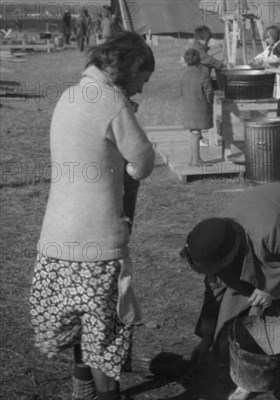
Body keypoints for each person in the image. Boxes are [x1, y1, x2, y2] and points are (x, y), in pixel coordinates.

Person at [30, 31, 156, 400]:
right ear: (131, 67)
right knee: (105, 335)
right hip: (96, 245)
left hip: (55, 239)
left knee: (81, 326)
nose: (141, 90)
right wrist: (127, 171)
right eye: (142, 81)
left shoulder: (70, 95)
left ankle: (82, 391)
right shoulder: (113, 102)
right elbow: (144, 162)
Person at [180, 183, 280, 400]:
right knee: (251, 298)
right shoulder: (215, 244)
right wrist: (207, 338)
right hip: (268, 228)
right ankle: (253, 375)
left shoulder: (270, 228)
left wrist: (275, 291)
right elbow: (214, 296)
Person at [181, 48, 214, 165]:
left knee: (193, 133)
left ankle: (194, 158)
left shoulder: (184, 75)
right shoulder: (203, 76)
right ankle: (196, 160)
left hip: (188, 107)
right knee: (196, 133)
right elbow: (209, 94)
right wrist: (210, 105)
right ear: (199, 61)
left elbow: (182, 92)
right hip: (200, 108)